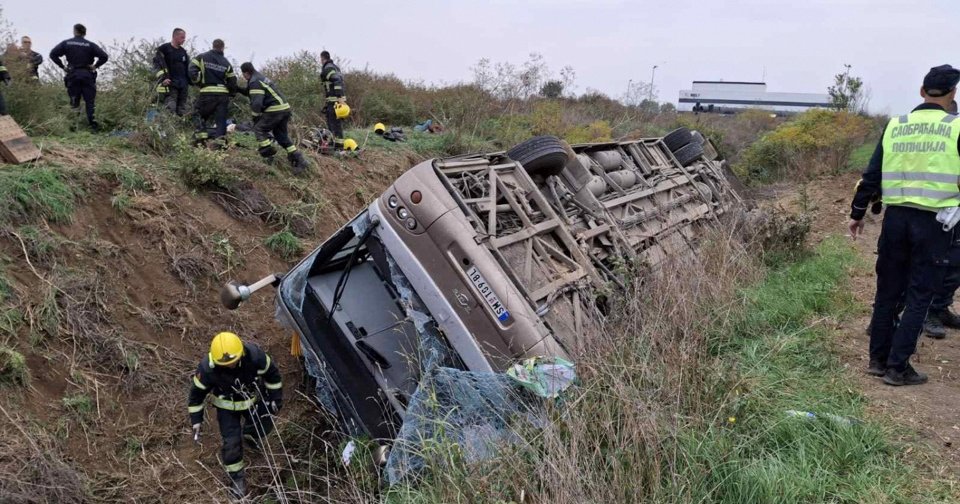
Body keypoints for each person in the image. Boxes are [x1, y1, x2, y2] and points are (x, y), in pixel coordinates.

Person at [849, 64, 960, 386]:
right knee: (920, 295)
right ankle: (898, 368)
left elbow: (872, 174)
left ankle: (877, 360)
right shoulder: (956, 127)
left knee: (887, 292)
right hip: (935, 223)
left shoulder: (896, 125)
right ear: (953, 93)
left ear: (922, 91)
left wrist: (857, 213)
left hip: (895, 220)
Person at [188, 332, 283, 499]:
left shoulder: (255, 357)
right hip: (226, 408)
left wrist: (275, 398)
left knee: (263, 424)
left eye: (233, 361)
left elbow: (272, 375)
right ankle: (237, 480)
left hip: (252, 400)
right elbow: (196, 395)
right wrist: (196, 419)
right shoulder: (207, 368)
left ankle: (250, 435)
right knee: (231, 444)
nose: (231, 365)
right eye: (226, 364)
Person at [239, 62, 308, 173]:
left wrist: (255, 117)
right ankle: (299, 160)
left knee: (259, 129)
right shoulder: (259, 78)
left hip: (275, 109)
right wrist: (237, 88)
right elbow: (249, 92)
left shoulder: (254, 81)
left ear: (246, 73)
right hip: (284, 108)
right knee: (281, 136)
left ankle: (269, 155)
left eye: (243, 75)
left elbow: (256, 103)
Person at [50, 24, 108, 131]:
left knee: (74, 101)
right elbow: (104, 56)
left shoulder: (67, 43)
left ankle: (73, 128)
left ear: (75, 31)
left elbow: (53, 54)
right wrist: (95, 66)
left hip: (73, 74)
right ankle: (93, 127)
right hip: (87, 75)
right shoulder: (90, 45)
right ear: (84, 33)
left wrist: (62, 66)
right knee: (90, 102)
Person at [188, 39, 237, 144]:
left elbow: (191, 70)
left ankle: (200, 140)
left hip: (207, 93)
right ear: (223, 48)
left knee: (198, 114)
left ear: (213, 46)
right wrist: (232, 93)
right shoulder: (226, 63)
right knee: (221, 121)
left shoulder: (202, 57)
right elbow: (233, 81)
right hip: (223, 95)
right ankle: (220, 145)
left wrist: (198, 82)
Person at [153, 28, 190, 117]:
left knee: (182, 111)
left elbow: (187, 68)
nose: (184, 40)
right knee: (170, 108)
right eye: (182, 37)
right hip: (170, 84)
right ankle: (169, 125)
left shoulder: (183, 52)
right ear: (175, 36)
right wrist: (163, 79)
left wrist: (192, 82)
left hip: (182, 85)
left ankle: (180, 125)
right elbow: (157, 65)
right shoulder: (164, 49)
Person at [319, 50, 345, 149]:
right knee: (337, 124)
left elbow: (337, 80)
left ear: (322, 58)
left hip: (335, 101)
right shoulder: (335, 67)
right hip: (337, 100)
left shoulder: (328, 68)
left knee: (333, 123)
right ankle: (338, 144)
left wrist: (339, 98)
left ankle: (336, 145)